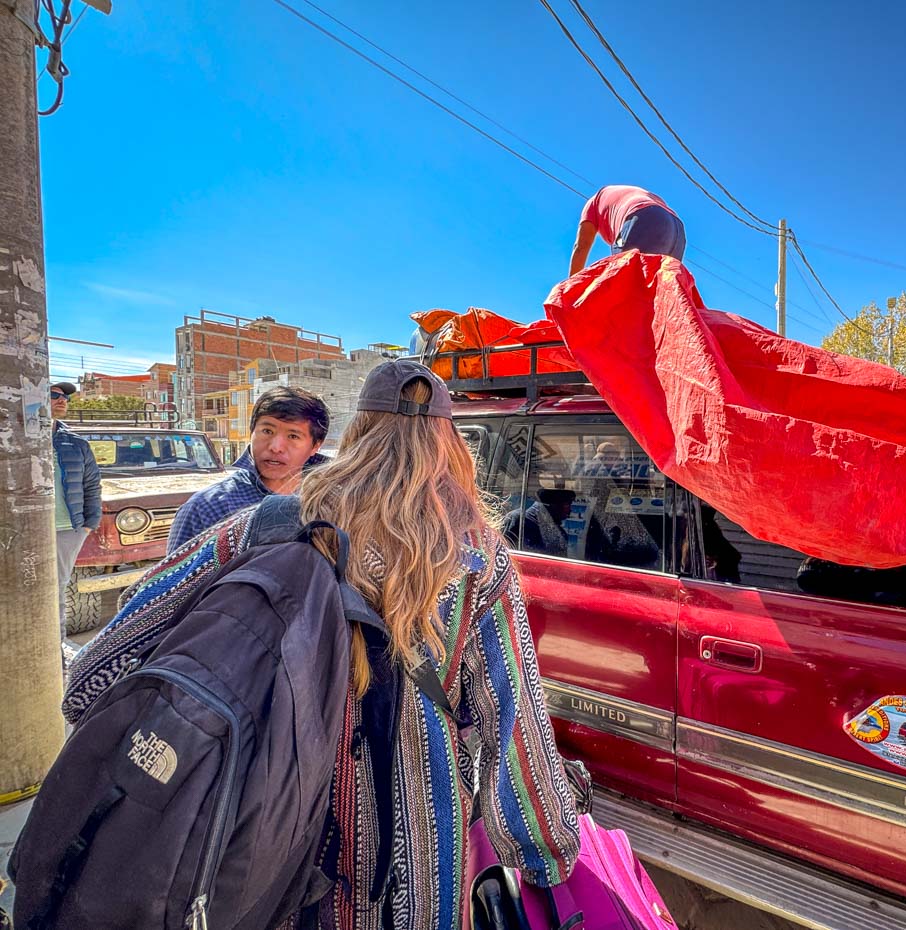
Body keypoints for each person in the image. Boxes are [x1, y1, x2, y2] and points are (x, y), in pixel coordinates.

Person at [65, 360, 581, 928]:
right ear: (447, 442)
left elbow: (101, 663)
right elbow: (514, 720)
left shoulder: (267, 523)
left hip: (270, 832)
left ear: (355, 431)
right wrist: (544, 850)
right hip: (420, 846)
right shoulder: (476, 556)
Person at [167, 386, 329, 549]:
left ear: (316, 445)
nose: (276, 447)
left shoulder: (330, 501)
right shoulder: (206, 508)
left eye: (293, 436)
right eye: (267, 431)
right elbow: (175, 573)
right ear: (251, 432)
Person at [49, 382, 100, 640]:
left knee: (55, 589)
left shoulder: (76, 443)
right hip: (21, 529)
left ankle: (56, 650)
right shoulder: (13, 437)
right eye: (54, 394)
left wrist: (88, 524)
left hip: (66, 529)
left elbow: (92, 484)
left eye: (65, 397)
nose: (63, 400)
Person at [569, 184, 686, 276]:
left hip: (643, 217)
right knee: (660, 294)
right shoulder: (617, 195)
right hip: (677, 232)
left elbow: (581, 246)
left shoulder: (593, 203)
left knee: (619, 277)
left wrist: (570, 294)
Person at [504, 487, 577, 556]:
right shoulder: (518, 519)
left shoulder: (560, 534)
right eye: (567, 505)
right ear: (553, 505)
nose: (570, 510)